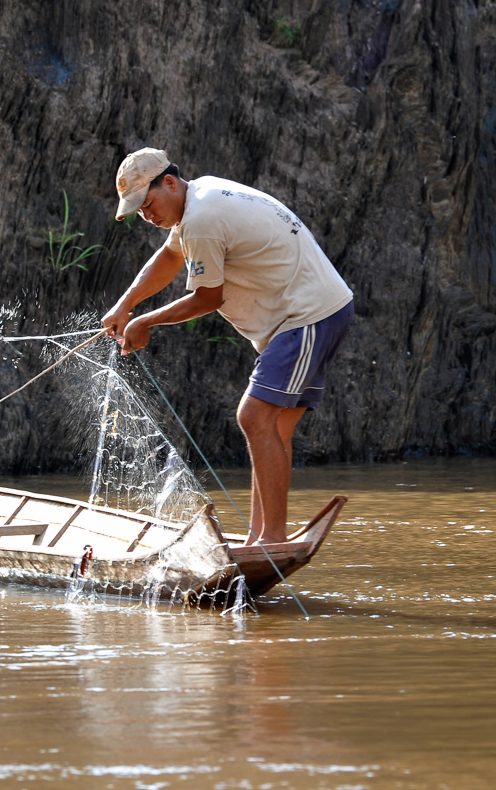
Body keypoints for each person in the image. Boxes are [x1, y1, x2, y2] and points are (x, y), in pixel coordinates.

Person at [101, 148, 354, 544]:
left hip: (309, 315)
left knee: (254, 417)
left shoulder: (201, 219)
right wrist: (124, 306)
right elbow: (169, 257)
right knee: (272, 426)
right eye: (140, 212)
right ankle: (262, 538)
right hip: (315, 313)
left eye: (148, 204)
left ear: (169, 182)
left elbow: (207, 298)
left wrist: (145, 321)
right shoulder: (202, 197)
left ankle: (270, 539)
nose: (148, 216)